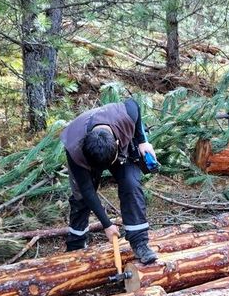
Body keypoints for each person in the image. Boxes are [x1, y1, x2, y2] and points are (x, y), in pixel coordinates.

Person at [60, 98, 158, 264]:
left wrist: (142, 141)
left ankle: (140, 243)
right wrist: (107, 224)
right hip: (88, 155)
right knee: (81, 199)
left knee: (131, 184)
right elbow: (87, 189)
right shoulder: (74, 148)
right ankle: (75, 245)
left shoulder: (126, 115)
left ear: (117, 143)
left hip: (120, 148)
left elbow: (134, 103)